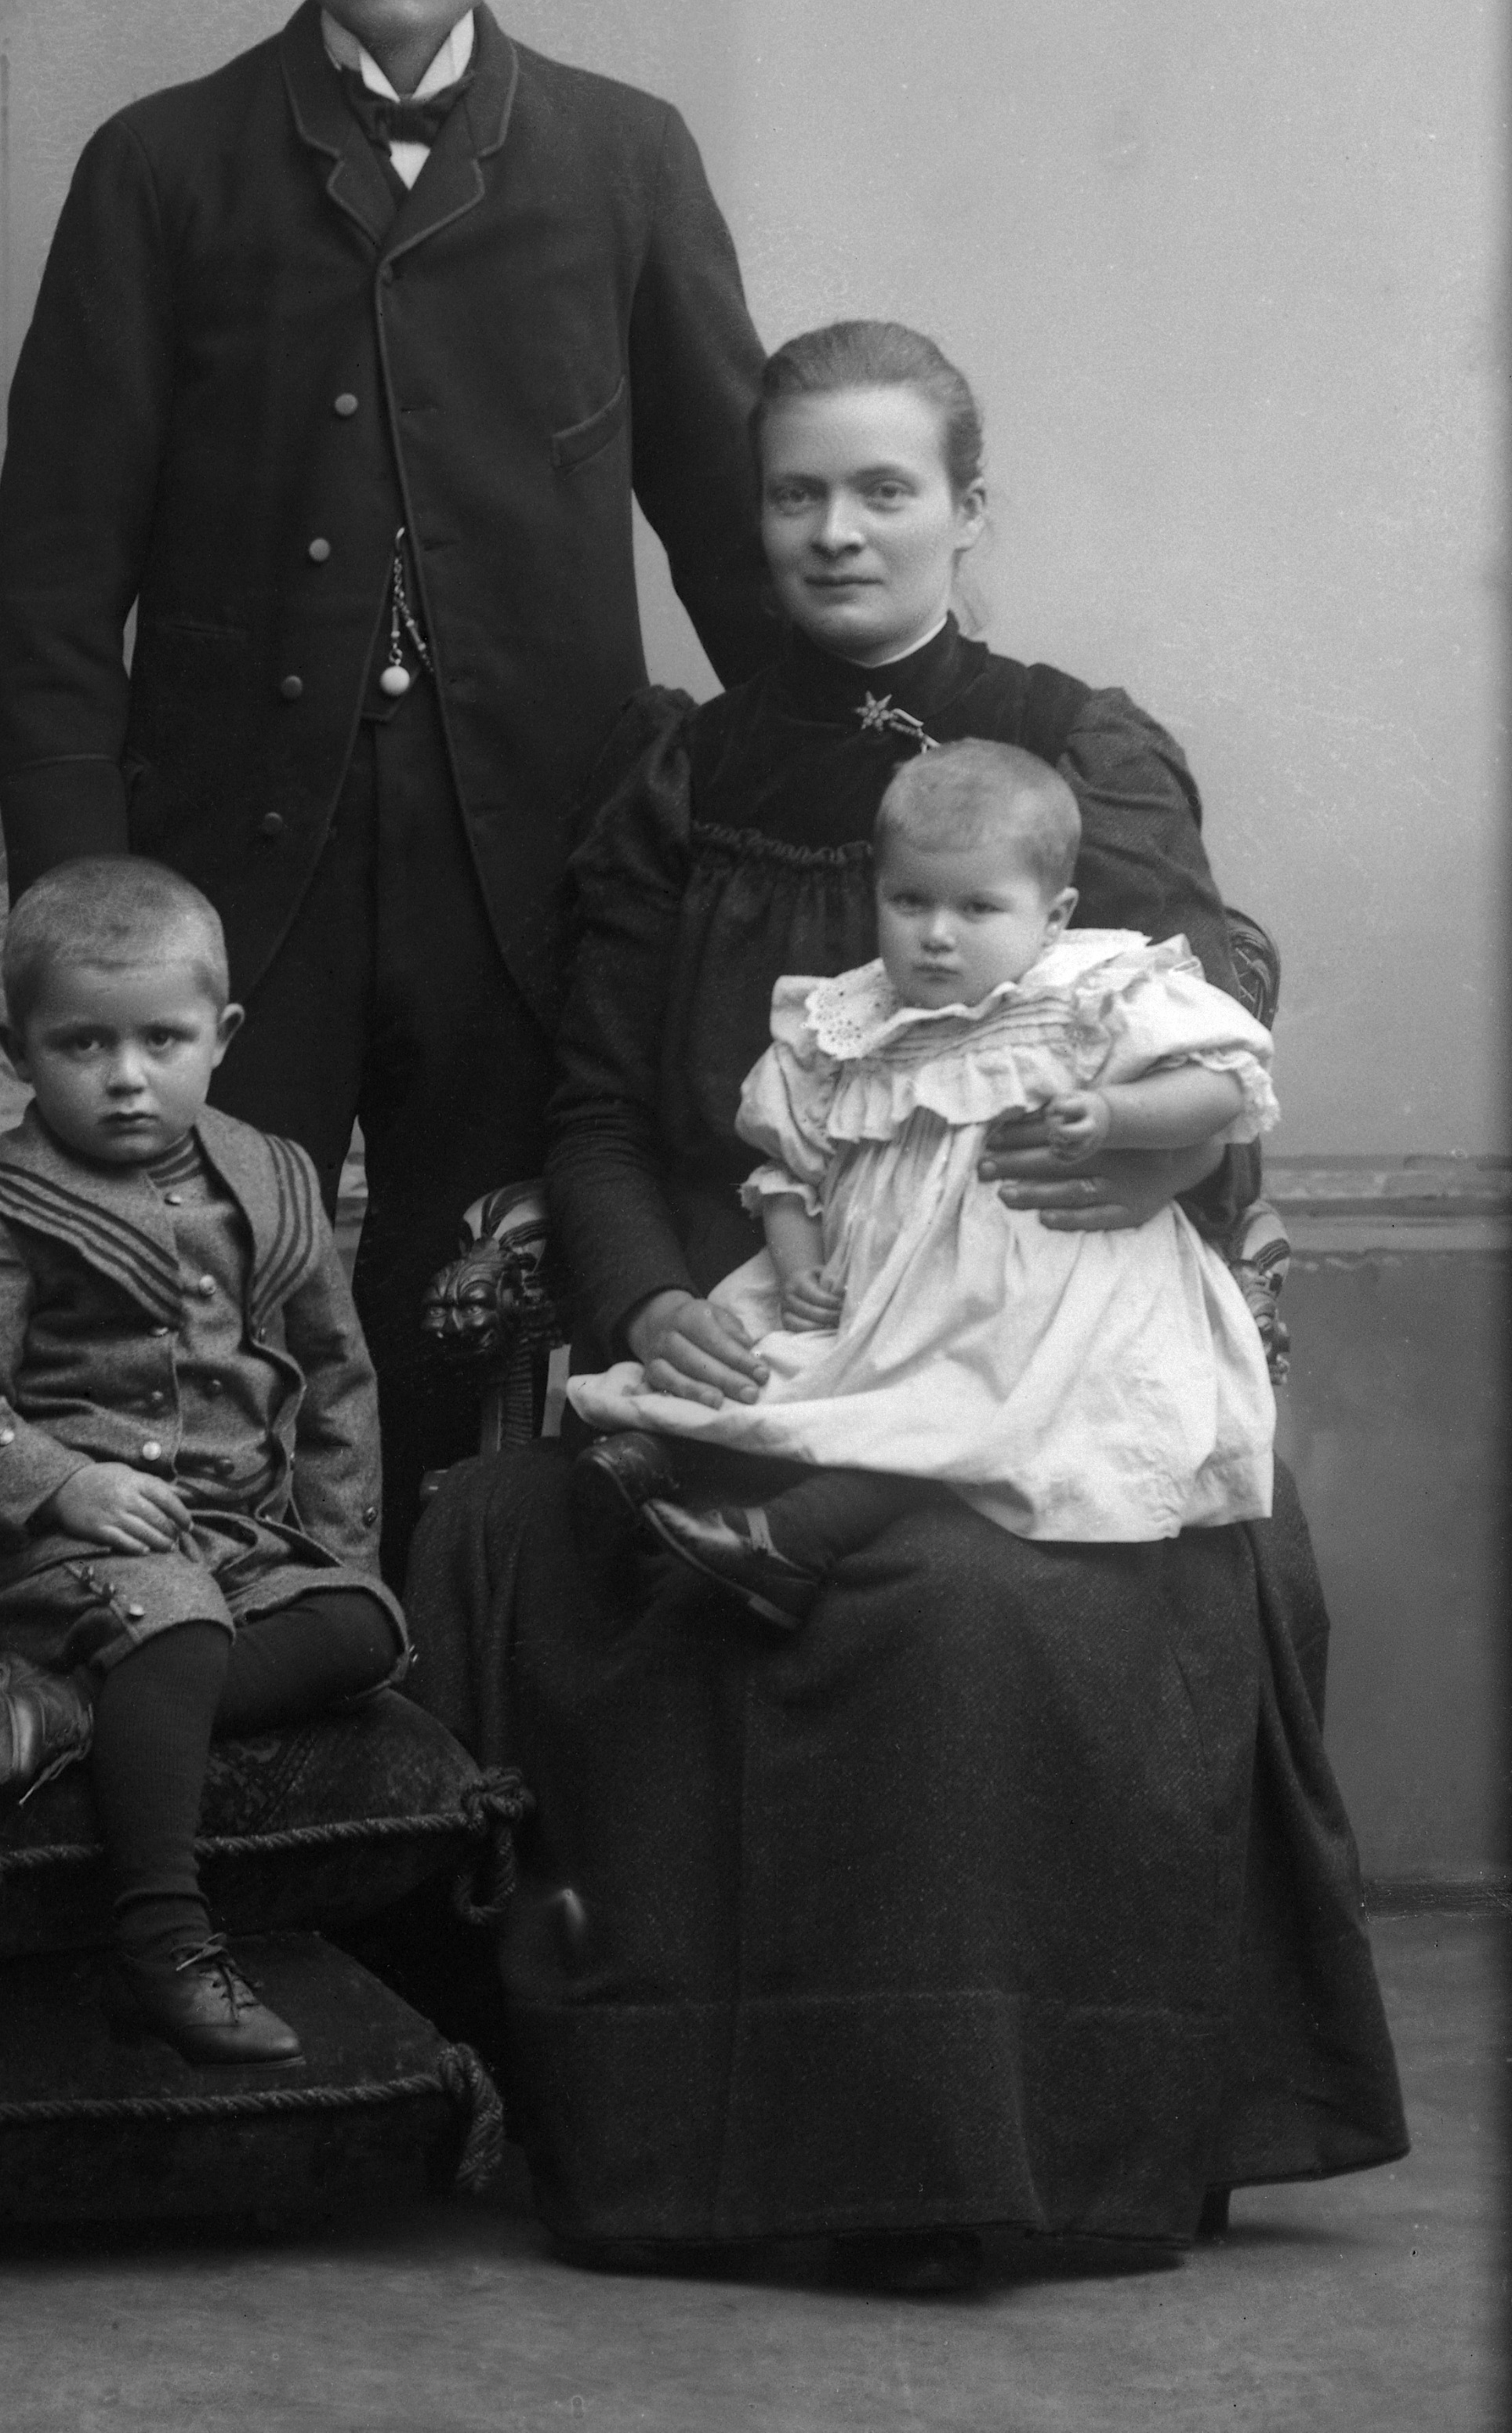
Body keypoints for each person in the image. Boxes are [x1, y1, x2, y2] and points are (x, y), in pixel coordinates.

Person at [407, 321, 1406, 2279]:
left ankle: (976, 2150)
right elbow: (598, 1111)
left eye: (883, 489)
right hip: (776, 1323)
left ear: (966, 509)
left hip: (1026, 1341)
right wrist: (645, 1304)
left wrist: (1160, 1153)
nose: (836, 530)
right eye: (796, 493)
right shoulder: (682, 771)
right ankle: (654, 2133)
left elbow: (1196, 1028)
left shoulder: (1066, 755)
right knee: (504, 1530)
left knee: (957, 1604)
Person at [0, 0, 774, 1579]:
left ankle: (449, 1721)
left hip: (530, 866)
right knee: (187, 1317)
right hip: (233, 872)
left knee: (476, 1313)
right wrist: (85, 905)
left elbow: (735, 536)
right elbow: (54, 586)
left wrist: (848, 787)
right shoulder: (160, 166)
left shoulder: (622, 158)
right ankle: (221, 1698)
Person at [0, 857, 404, 2065]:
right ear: (18, 1047)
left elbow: (335, 1378)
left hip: (236, 1541)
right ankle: (162, 1944)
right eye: (82, 1043)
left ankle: (70, 1706)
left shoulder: (274, 1176)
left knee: (365, 1627)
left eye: (161, 1039)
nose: (124, 1075)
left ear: (222, 1036)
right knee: (177, 1619)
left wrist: (335, 1550)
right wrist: (64, 1480)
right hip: (55, 1552)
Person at [567, 738, 1281, 1619]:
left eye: (977, 907)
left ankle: (791, 1538)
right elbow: (790, 1170)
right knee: (762, 1361)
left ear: (1052, 916)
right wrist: (800, 1267)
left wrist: (1114, 1116)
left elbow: (1221, 1086)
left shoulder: (1087, 994)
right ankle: (658, 1458)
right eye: (909, 901)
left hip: (1037, 1298)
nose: (936, 934)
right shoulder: (852, 1023)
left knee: (960, 1405)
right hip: (877, 1295)